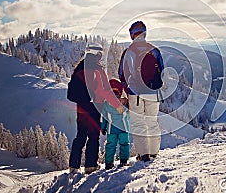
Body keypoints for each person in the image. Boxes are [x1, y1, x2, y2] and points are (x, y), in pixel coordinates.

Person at [68, 44, 123, 174]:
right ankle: (90, 165)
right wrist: (117, 105)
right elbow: (106, 91)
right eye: (100, 54)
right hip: (94, 106)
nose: (101, 56)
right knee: (93, 136)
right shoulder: (97, 68)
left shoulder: (80, 66)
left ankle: (74, 166)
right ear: (96, 53)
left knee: (80, 135)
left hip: (81, 106)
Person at [118, 21, 164, 162]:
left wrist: (128, 89)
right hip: (152, 92)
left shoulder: (128, 51)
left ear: (132, 35)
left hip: (135, 92)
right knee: (152, 122)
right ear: (144, 32)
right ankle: (154, 152)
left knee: (139, 123)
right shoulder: (154, 50)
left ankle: (143, 155)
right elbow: (162, 71)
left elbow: (121, 73)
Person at [101, 79, 130, 170]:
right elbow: (129, 112)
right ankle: (124, 161)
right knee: (124, 144)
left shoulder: (106, 104)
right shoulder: (124, 102)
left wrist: (103, 128)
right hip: (123, 128)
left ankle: (109, 163)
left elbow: (104, 117)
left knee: (110, 145)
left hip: (111, 129)